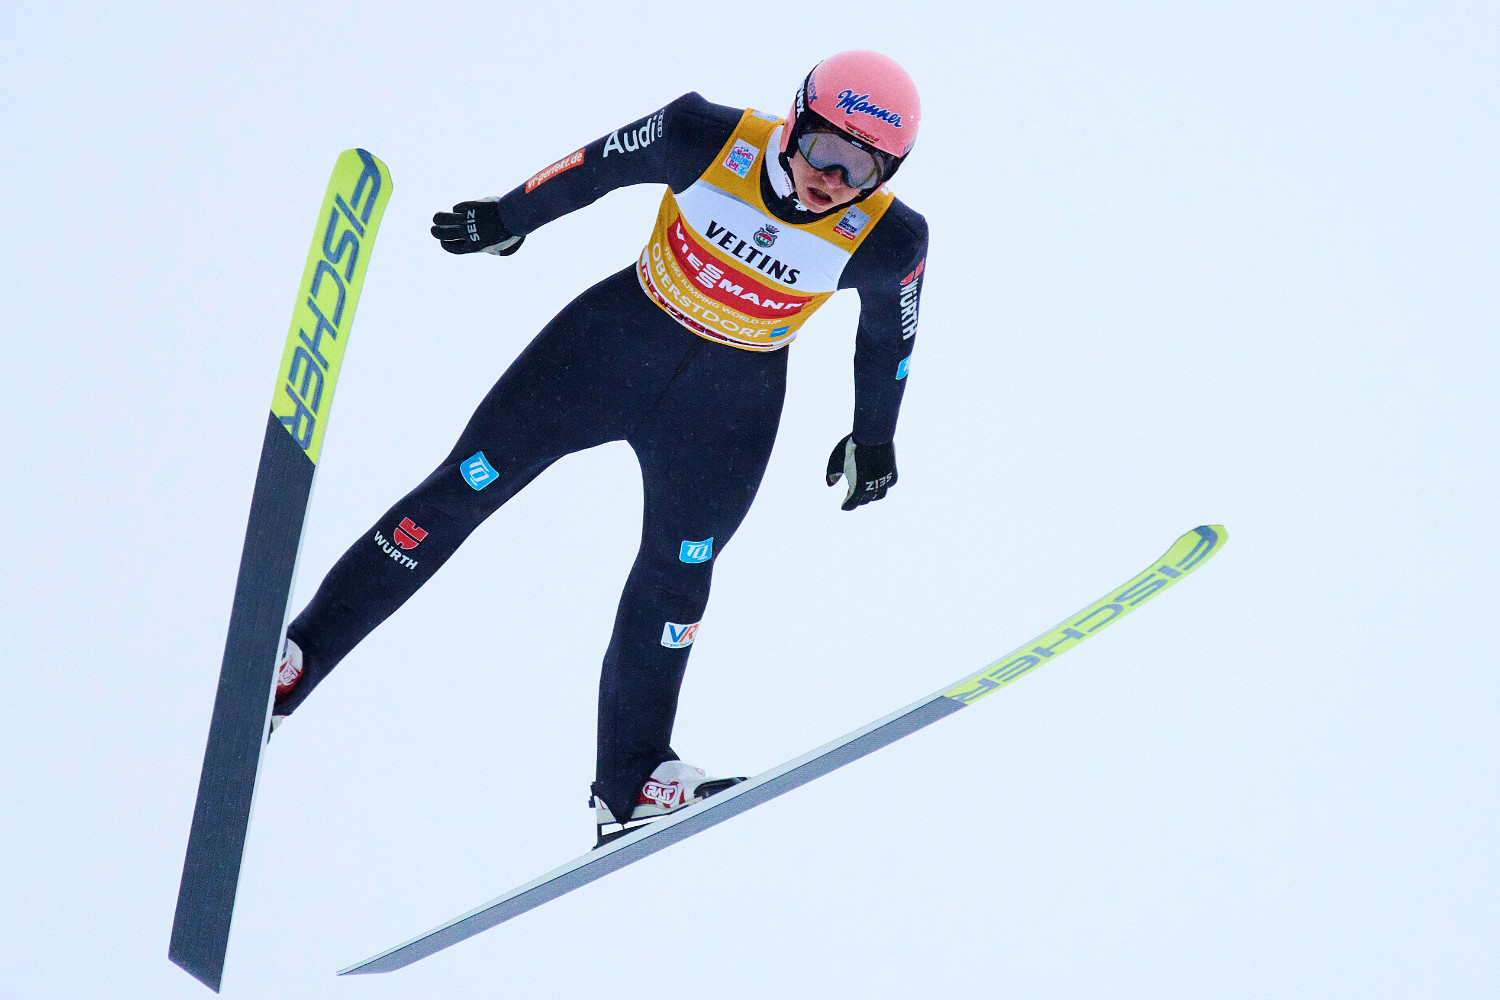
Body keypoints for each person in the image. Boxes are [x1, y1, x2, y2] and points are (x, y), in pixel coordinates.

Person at [269, 51, 929, 847]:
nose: (836, 180)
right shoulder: (706, 136)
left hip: (724, 413)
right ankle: (297, 658)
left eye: (866, 169)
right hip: (607, 350)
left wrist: (875, 437)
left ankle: (634, 780)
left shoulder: (890, 240)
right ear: (795, 121)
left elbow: (887, 342)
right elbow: (597, 164)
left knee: (679, 577)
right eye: (828, 150)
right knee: (463, 488)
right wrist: (507, 219)